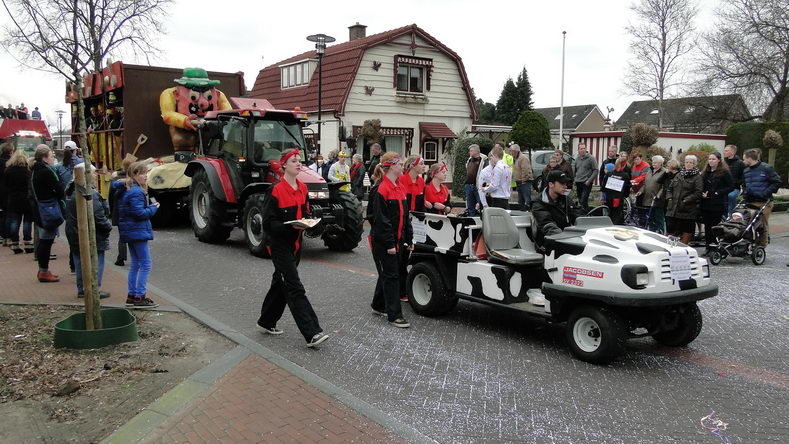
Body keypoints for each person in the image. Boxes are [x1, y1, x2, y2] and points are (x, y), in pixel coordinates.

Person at [257, 148, 329, 347]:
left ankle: (266, 321)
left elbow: (305, 213)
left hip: (296, 244)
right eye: (294, 161)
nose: (298, 163)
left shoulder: (303, 188)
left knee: (280, 283)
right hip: (279, 246)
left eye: (300, 160)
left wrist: (312, 222)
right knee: (294, 286)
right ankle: (312, 332)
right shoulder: (275, 190)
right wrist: (290, 227)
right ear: (284, 165)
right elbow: (268, 224)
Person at [369, 152, 412, 328]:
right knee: (392, 275)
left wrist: (409, 239)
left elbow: (406, 216)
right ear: (392, 166)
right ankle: (394, 315)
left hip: (397, 240)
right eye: (400, 164)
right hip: (384, 242)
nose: (403, 167)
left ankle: (378, 305)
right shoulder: (381, 189)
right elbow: (381, 220)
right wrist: (389, 244)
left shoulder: (400, 187)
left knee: (388, 273)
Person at [114, 161, 160, 308]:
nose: (146, 176)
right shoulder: (136, 191)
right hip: (137, 230)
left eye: (146, 173)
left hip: (130, 230)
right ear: (134, 174)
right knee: (146, 264)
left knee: (135, 264)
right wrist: (153, 208)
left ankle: (132, 295)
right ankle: (140, 296)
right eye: (142, 173)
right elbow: (139, 213)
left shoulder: (127, 189)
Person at [66, 165, 112, 299]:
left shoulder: (70, 191)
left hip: (73, 231)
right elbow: (98, 216)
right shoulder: (90, 193)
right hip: (92, 233)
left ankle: (82, 288)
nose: (95, 176)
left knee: (79, 260)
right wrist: (107, 226)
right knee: (96, 260)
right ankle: (94, 289)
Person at [31, 145, 65, 282]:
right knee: (46, 241)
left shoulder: (35, 170)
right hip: (47, 209)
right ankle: (44, 271)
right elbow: (59, 189)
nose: (53, 158)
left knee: (44, 241)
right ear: (44, 158)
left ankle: (43, 270)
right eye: (51, 156)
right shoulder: (46, 172)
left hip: (39, 208)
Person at [396, 155, 425, 301]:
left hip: (416, 223)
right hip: (403, 222)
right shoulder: (402, 180)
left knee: (411, 256)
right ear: (413, 165)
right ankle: (401, 290)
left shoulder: (421, 181)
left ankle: (406, 287)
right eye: (421, 164)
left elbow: (421, 204)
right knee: (401, 259)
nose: (424, 166)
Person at [741, 148, 781, 247]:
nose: (743, 161)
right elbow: (745, 185)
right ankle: (751, 243)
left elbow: (777, 182)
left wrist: (765, 193)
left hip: (764, 201)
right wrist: (745, 193)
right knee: (750, 223)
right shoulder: (746, 171)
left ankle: (762, 246)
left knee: (762, 225)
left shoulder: (766, 168)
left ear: (749, 158)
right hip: (750, 201)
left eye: (744, 158)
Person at [531, 170, 579, 247]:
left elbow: (578, 216)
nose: (565, 186)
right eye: (562, 183)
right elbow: (547, 225)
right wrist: (566, 238)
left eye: (565, 183)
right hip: (548, 243)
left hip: (566, 240)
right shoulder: (538, 203)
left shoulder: (566, 199)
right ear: (551, 184)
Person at [700, 152, 734, 255]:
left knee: (715, 226)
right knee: (707, 226)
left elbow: (730, 186)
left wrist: (718, 192)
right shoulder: (705, 172)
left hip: (717, 203)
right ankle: (708, 247)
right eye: (710, 159)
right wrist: (703, 193)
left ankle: (715, 247)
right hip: (706, 203)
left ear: (719, 160)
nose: (711, 161)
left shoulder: (724, 172)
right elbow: (702, 185)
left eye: (713, 159)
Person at [666, 155, 703, 245]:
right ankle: (669, 245)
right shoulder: (679, 175)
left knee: (686, 228)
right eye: (687, 162)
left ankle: (684, 246)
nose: (688, 164)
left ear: (694, 164)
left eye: (691, 162)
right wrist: (669, 198)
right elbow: (669, 189)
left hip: (687, 209)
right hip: (673, 208)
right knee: (670, 227)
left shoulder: (697, 177)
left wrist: (686, 200)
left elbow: (698, 193)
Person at [3, 149, 34, 254]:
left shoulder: (8, 170)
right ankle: (28, 242)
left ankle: (15, 243)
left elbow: (6, 185)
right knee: (27, 221)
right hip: (26, 198)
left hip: (13, 198)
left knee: (14, 222)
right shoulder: (28, 170)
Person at [478, 146, 511, 210]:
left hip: (498, 200)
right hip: (505, 199)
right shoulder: (507, 167)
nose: (491, 158)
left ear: (495, 155)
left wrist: (484, 189)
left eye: (492, 156)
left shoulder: (497, 168)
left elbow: (494, 186)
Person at [641, 155, 667, 233]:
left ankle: (660, 233)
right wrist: (640, 191)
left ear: (661, 163)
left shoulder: (664, 172)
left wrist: (658, 195)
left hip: (657, 200)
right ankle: (651, 233)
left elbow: (664, 186)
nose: (653, 164)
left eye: (656, 162)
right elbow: (645, 184)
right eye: (653, 162)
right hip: (647, 199)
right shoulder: (649, 171)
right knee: (649, 219)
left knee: (658, 219)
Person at [601, 157, 631, 225]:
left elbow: (603, 187)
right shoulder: (625, 175)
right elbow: (627, 187)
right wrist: (625, 195)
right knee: (617, 214)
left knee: (609, 213)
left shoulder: (609, 174)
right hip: (618, 198)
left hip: (609, 197)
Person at [573, 143, 598, 214]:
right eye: (581, 149)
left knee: (583, 200)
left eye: (584, 148)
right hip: (578, 182)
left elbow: (596, 170)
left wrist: (589, 181)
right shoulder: (577, 159)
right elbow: (575, 170)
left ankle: (586, 215)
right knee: (581, 201)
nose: (583, 150)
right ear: (578, 150)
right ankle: (586, 214)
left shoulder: (591, 158)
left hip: (586, 183)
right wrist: (575, 179)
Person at [464, 144, 487, 216]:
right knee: (470, 205)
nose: (469, 152)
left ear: (476, 151)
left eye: (471, 151)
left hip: (478, 186)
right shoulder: (469, 160)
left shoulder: (483, 160)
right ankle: (471, 218)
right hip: (469, 185)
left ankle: (481, 218)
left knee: (480, 203)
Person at [509, 143, 534, 210]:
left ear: (515, 151)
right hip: (520, 182)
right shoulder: (518, 158)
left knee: (526, 200)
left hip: (524, 182)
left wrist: (523, 181)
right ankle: (522, 211)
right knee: (521, 201)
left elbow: (525, 170)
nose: (511, 153)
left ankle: (528, 211)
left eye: (511, 151)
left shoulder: (522, 158)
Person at [723, 144, 745, 216]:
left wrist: (735, 183)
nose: (724, 152)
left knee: (731, 196)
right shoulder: (723, 163)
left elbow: (743, 177)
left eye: (726, 151)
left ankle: (732, 214)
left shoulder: (740, 163)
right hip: (724, 187)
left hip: (735, 187)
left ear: (732, 152)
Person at [0, 141, 13, 246]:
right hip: (8, 191)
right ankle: (8, 236)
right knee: (9, 215)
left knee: (1, 214)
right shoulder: (11, 163)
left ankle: (2, 235)